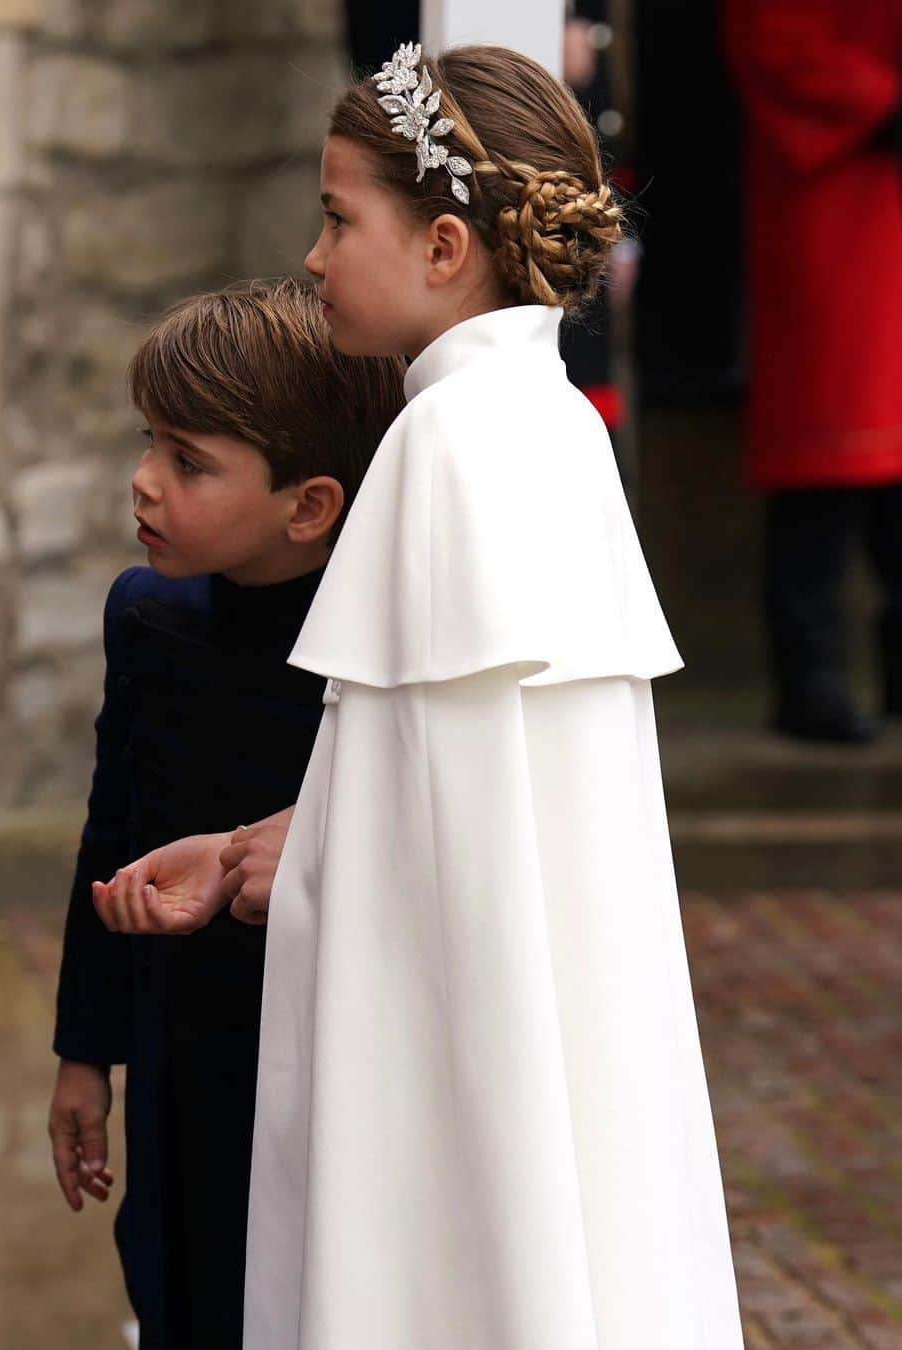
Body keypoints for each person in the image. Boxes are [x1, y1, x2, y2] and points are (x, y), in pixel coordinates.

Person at [108, 43, 744, 1348]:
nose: (317, 255)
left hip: (456, 1069)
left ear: (446, 245)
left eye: (341, 218)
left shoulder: (446, 445)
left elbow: (445, 868)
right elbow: (461, 794)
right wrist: (250, 849)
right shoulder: (551, 420)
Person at [47, 278, 404, 1350]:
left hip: (321, 1067)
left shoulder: (377, 659)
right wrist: (83, 1052)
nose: (144, 482)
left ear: (309, 505)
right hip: (175, 1058)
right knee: (175, 1287)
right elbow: (111, 832)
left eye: (189, 462)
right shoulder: (148, 616)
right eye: (150, 442)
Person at [724, 0, 902, 742]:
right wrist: (880, 101)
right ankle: (811, 678)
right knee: (829, 450)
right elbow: (772, 38)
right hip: (840, 193)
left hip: (872, 188)